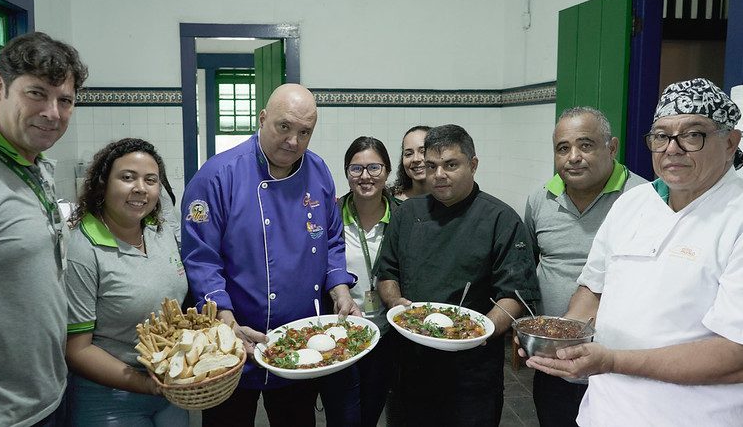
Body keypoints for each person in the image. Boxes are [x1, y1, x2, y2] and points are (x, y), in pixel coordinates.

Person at [526, 78, 743, 426]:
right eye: (661, 136)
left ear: (730, 141)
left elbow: (736, 355)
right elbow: (592, 291)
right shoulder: (633, 204)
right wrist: (559, 339)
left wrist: (611, 360)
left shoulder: (736, 216)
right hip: (603, 412)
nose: (672, 149)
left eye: (692, 135)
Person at [181, 83, 359, 426]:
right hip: (231, 342)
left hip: (298, 342)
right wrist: (225, 320)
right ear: (262, 119)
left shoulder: (319, 172)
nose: (293, 141)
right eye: (284, 127)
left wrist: (339, 289)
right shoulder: (217, 176)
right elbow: (201, 258)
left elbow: (332, 239)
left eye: (304, 132)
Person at [0, 32, 88, 426]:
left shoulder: (30, 162)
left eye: (65, 100)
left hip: (44, 397)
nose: (53, 113)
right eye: (36, 94)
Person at [377, 124, 540, 426]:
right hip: (411, 364)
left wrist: (478, 331)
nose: (439, 175)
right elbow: (387, 273)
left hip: (471, 371)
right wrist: (395, 300)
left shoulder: (500, 220)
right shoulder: (406, 214)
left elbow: (514, 294)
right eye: (432, 166)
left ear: (473, 164)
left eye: (451, 165)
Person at [523, 107, 646, 426]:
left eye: (586, 145)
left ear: (612, 147)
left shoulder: (644, 200)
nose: (573, 157)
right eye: (563, 148)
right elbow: (530, 265)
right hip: (554, 362)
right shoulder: (540, 200)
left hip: (617, 365)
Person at [64, 138, 188, 426]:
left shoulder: (160, 233)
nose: (140, 188)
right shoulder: (84, 249)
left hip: (170, 390)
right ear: (103, 184)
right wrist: (146, 385)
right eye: (127, 177)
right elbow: (77, 350)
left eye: (151, 180)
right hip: (110, 398)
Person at [320, 136, 397, 427]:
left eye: (374, 168)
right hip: (341, 333)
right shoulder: (332, 215)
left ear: (387, 172)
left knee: (371, 414)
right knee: (343, 417)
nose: (365, 176)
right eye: (356, 169)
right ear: (347, 173)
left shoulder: (402, 218)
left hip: (385, 334)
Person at [391, 125, 430, 201]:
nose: (416, 159)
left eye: (423, 152)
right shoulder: (392, 201)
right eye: (409, 154)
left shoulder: (451, 199)